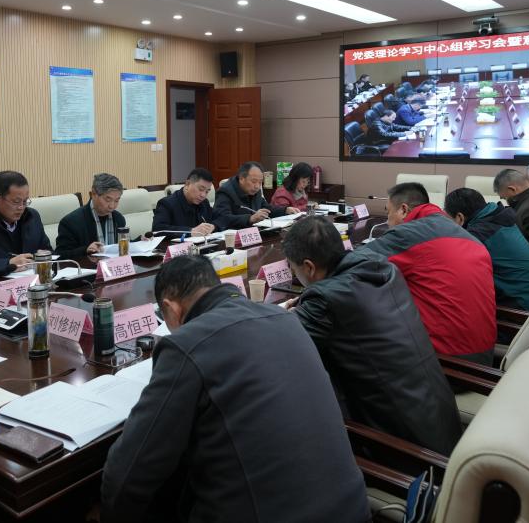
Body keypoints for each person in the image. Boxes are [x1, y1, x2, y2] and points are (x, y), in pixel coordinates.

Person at [102, 255, 369, 523]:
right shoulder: (286, 318)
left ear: (170, 308)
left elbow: (129, 472)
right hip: (354, 510)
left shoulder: (186, 344)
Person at [282, 216, 461, 455]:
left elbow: (278, 342)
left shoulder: (325, 300)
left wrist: (289, 314)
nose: (295, 274)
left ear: (309, 267)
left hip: (405, 449)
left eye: (293, 269)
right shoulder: (381, 268)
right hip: (442, 423)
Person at [360, 182, 496, 365]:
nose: (388, 221)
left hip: (446, 361)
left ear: (403, 210)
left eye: (388, 212)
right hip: (484, 356)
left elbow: (355, 263)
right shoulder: (469, 237)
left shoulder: (409, 234)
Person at [444, 188, 529, 311]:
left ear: (459, 217)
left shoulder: (479, 234)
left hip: (521, 307)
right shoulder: (498, 216)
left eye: (448, 219)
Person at [55, 173, 127, 257]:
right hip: (87, 265)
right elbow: (60, 255)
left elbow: (123, 245)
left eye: (116, 201)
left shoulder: (118, 219)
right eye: (108, 200)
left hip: (115, 264)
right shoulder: (71, 222)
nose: (112, 206)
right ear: (93, 194)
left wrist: (138, 240)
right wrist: (85, 250)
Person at [214, 162, 297, 229]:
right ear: (242, 179)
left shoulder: (254, 191)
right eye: (254, 181)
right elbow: (222, 218)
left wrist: (285, 210)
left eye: (260, 182)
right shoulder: (225, 191)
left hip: (253, 232)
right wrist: (250, 218)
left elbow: (267, 209)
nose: (257, 186)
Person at [152, 168, 220, 236]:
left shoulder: (204, 203)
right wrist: (190, 231)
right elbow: (158, 229)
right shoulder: (167, 204)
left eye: (207, 191)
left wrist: (213, 226)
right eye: (201, 189)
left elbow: (219, 218)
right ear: (188, 184)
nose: (203, 195)